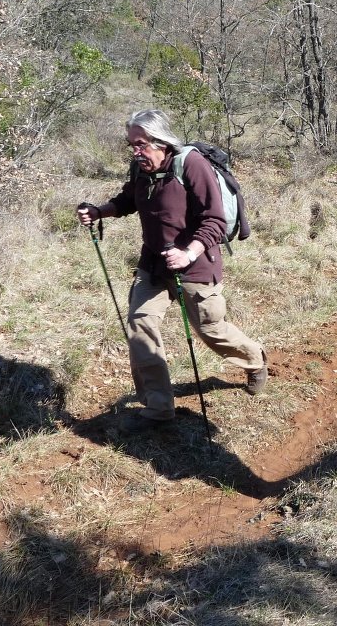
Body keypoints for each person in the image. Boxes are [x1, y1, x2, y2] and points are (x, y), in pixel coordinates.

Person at [77, 109, 268, 435]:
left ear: (160, 140)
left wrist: (188, 252)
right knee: (140, 325)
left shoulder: (190, 165)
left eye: (140, 144)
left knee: (212, 331)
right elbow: (127, 200)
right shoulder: (141, 168)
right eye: (131, 145)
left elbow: (215, 221)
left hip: (195, 266)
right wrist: (99, 211)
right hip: (153, 265)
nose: (135, 152)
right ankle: (159, 407)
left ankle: (255, 360)